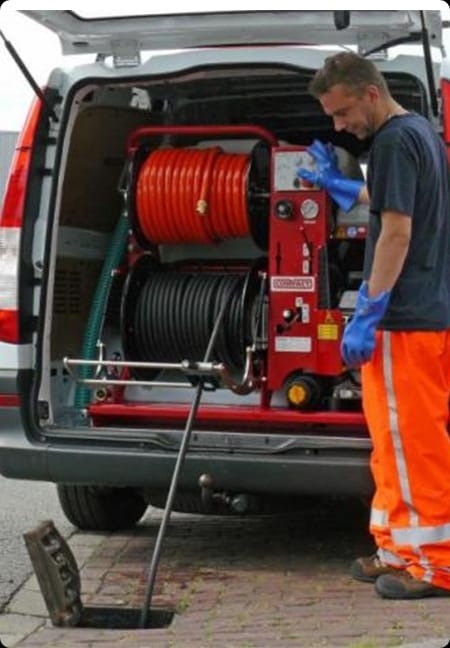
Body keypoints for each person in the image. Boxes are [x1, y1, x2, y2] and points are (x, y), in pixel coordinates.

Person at [297, 51, 450, 599]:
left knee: (414, 444)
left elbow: (397, 232)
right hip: (420, 316)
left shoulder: (389, 141)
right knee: (390, 441)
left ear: (368, 92)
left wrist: (368, 311)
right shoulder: (418, 134)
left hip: (406, 320)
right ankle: (395, 548)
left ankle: (434, 565)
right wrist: (338, 186)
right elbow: (386, 203)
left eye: (340, 114)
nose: (339, 126)